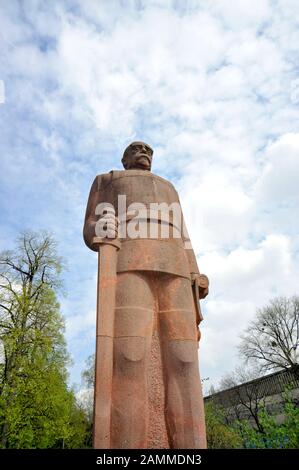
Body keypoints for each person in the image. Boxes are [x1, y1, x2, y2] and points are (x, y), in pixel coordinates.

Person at [83, 142, 209, 448]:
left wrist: (195, 271)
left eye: (149, 149)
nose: (145, 152)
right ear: (124, 158)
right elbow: (90, 226)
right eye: (137, 149)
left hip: (176, 270)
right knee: (129, 355)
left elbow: (183, 234)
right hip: (129, 264)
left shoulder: (169, 188)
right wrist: (100, 226)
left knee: (184, 360)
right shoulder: (107, 180)